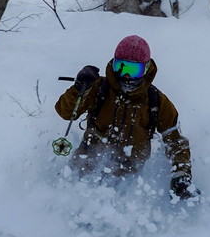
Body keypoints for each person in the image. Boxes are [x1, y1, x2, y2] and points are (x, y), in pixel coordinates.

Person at [54, 34, 198, 200]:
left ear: (146, 69)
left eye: (133, 70)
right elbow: (65, 112)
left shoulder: (156, 101)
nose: (127, 76)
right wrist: (79, 88)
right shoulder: (99, 89)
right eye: (121, 67)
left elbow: (176, 141)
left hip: (127, 179)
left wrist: (181, 174)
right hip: (84, 167)